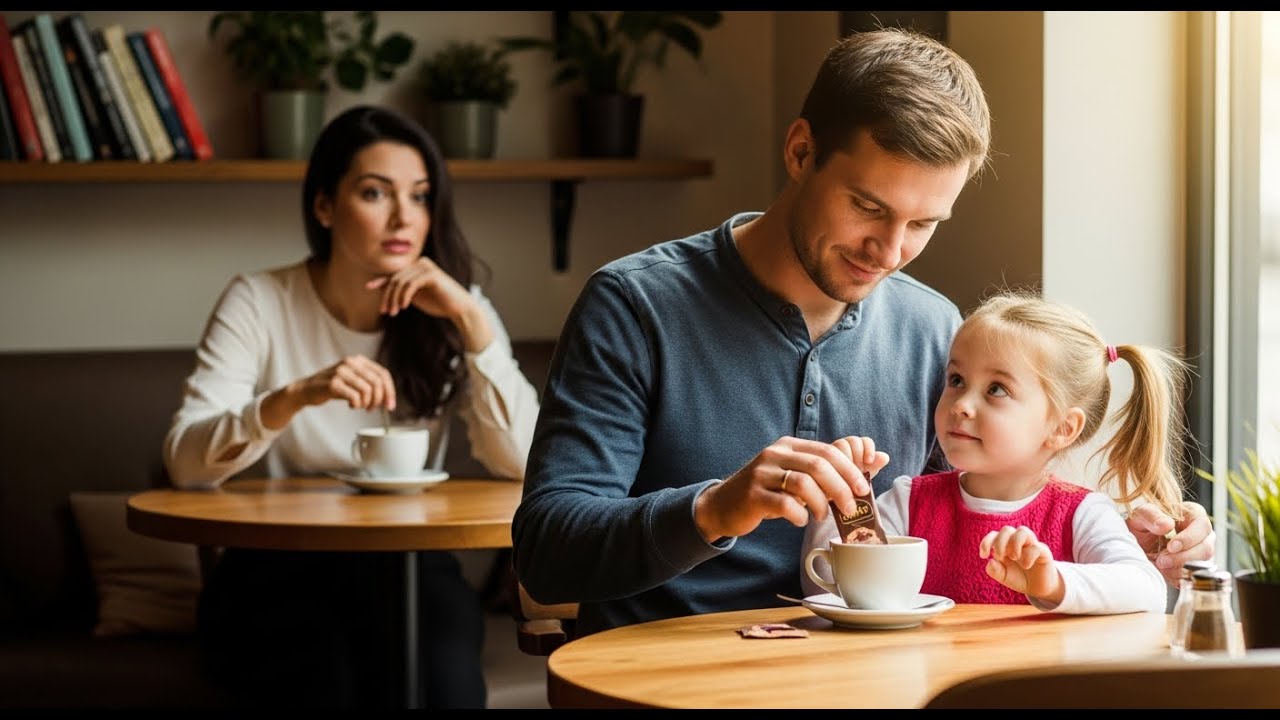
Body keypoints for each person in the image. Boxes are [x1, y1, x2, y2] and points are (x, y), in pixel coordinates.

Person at [512, 28, 1213, 637]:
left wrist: (1128, 550)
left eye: (923, 224)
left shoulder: (936, 328)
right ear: (799, 151)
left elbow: (970, 525)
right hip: (669, 677)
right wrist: (717, 507)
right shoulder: (635, 306)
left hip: (878, 677)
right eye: (867, 207)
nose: (890, 249)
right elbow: (548, 553)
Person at [163, 105, 539, 708]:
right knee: (326, 679)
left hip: (410, 567)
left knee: (440, 683)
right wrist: (295, 396)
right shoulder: (259, 300)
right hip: (276, 568)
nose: (403, 218)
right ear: (323, 206)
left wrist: (472, 323)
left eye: (419, 197)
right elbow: (185, 462)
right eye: (374, 193)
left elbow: (529, 463)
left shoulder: (455, 308)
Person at [803, 290, 1186, 614]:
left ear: (1062, 428)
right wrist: (846, 502)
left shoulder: (1080, 514)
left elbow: (1146, 589)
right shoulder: (908, 501)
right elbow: (827, 587)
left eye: (996, 389)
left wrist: (1052, 581)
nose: (961, 404)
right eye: (956, 380)